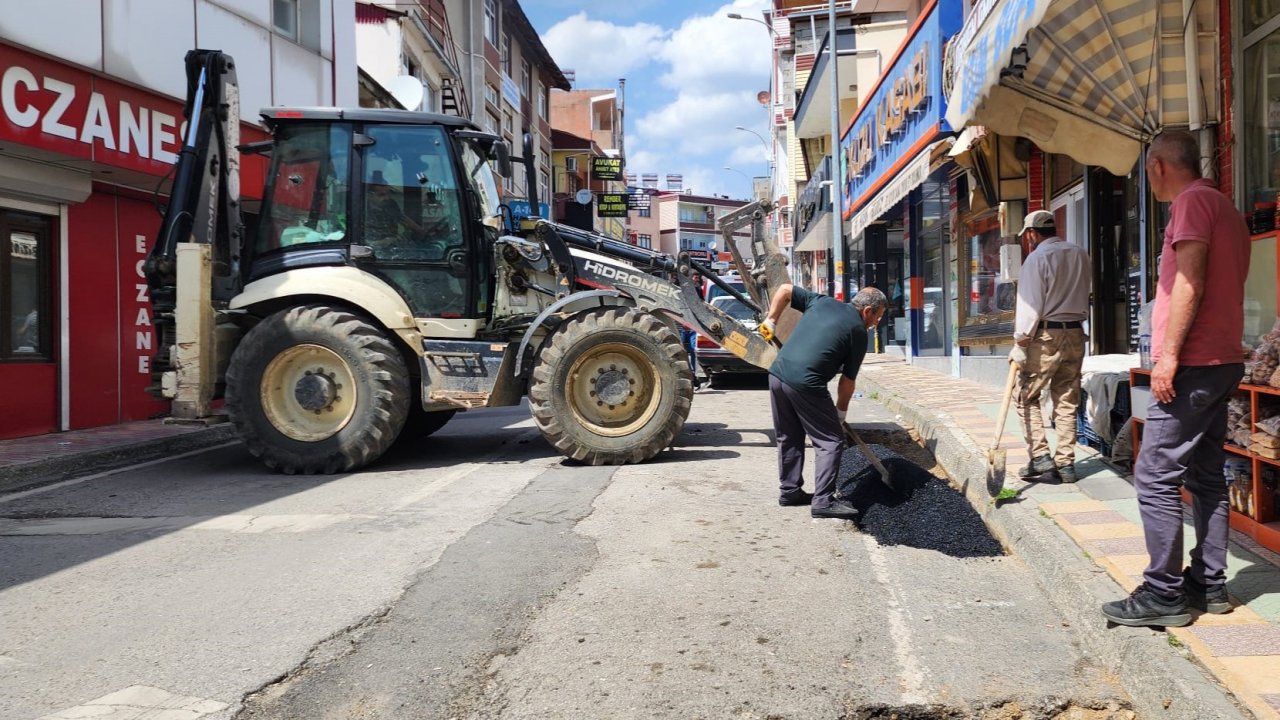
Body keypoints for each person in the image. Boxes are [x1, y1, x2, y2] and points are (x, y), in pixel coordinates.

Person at [1101, 130, 1250, 628]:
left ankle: (1163, 593)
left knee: (1155, 475)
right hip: (1222, 361)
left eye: (1148, 172)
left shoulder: (1189, 205)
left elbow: (1190, 281)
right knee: (1206, 476)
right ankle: (1209, 585)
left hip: (1194, 365)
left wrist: (1167, 357)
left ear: (1159, 166)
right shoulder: (1225, 207)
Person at [759, 284, 887, 519]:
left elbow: (785, 290)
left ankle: (790, 491)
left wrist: (771, 319)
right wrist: (840, 413)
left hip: (777, 374)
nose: (876, 323)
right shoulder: (858, 331)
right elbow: (847, 381)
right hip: (806, 383)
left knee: (789, 435)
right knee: (830, 441)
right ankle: (823, 502)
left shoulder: (822, 301)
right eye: (877, 317)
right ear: (867, 310)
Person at [1009, 210, 1091, 483]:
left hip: (1045, 335)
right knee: (1067, 398)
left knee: (1026, 396)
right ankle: (1066, 464)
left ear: (1032, 234)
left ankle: (1040, 457)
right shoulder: (1080, 253)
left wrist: (1021, 341)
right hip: (1076, 333)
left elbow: (1030, 304)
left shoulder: (1036, 258)